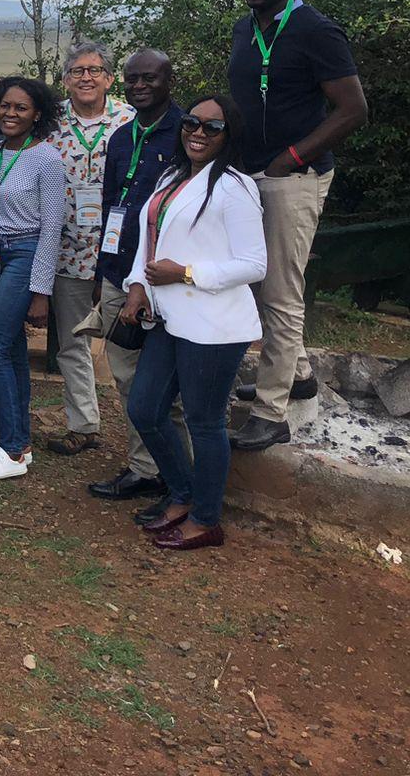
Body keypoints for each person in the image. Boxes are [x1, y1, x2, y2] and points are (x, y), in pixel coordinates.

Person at [226, 0, 366, 451]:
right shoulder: (247, 28)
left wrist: (292, 157)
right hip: (247, 174)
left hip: (293, 178)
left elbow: (353, 109)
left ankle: (271, 413)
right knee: (260, 282)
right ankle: (299, 374)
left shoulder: (316, 30)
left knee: (282, 291)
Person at [121, 94, 267, 550]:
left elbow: (254, 264)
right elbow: (152, 237)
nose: (198, 133)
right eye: (191, 123)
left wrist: (185, 273)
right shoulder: (172, 175)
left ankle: (206, 519)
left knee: (204, 423)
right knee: (144, 408)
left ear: (229, 135)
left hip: (213, 326)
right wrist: (138, 286)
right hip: (168, 317)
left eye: (212, 127)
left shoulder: (236, 188)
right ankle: (182, 492)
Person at [88, 49, 189, 502]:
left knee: (171, 382)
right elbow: (113, 204)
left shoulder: (190, 134)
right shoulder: (124, 136)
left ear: (169, 80)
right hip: (117, 269)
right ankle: (145, 468)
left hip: (163, 277)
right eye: (132, 79)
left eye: (150, 78)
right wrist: (103, 270)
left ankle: (181, 473)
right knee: (126, 375)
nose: (140, 86)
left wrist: (144, 283)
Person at [0, 77, 66, 482]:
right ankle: (17, 439)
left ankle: (11, 449)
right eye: (4, 106)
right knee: (11, 349)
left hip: (24, 253)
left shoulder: (47, 159)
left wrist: (40, 292)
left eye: (20, 108)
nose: (10, 114)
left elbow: (52, 229)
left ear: (37, 114)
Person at [45, 41, 135, 457]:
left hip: (119, 252)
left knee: (123, 348)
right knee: (72, 343)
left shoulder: (129, 120)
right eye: (77, 70)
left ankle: (142, 437)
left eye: (95, 70)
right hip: (65, 249)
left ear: (109, 78)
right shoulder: (51, 121)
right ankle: (84, 425)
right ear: (65, 79)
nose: (86, 77)